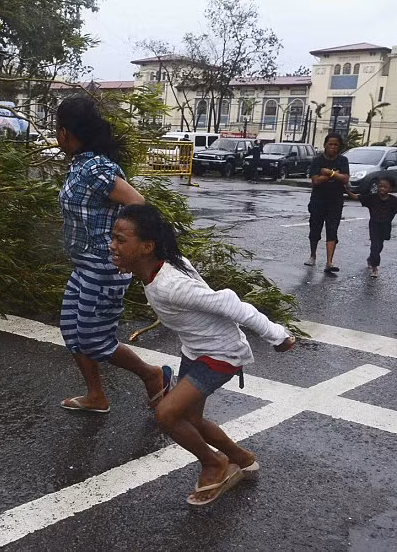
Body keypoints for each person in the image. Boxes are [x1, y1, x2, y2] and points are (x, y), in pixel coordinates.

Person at [109, 204, 296, 506]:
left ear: (146, 247)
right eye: (113, 238)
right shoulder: (161, 267)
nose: (112, 245)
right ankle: (241, 458)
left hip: (221, 354)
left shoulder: (171, 286)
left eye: (120, 240)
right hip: (196, 350)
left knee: (167, 414)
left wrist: (278, 335)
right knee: (190, 419)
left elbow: (231, 304)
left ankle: (214, 463)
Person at [55, 95, 173, 413]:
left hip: (104, 266)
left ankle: (153, 376)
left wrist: (123, 244)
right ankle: (96, 396)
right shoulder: (82, 163)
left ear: (65, 132)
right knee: (71, 329)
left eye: (57, 128)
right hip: (84, 265)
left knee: (95, 340)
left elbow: (138, 201)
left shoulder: (96, 168)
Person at [306, 133, 350, 274]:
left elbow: (345, 179)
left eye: (335, 145)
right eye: (330, 144)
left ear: (339, 147)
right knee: (315, 228)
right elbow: (316, 181)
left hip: (335, 201)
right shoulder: (317, 160)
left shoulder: (343, 160)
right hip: (318, 199)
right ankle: (313, 255)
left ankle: (329, 262)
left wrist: (329, 173)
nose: (332, 147)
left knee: (332, 229)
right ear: (325, 144)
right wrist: (335, 174)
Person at [354, 176, 397, 278]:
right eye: (380, 186)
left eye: (385, 187)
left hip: (386, 226)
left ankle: (371, 259)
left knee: (380, 245)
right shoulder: (372, 198)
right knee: (375, 245)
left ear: (390, 189)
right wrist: (346, 190)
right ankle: (375, 268)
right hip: (374, 225)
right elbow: (357, 197)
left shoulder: (393, 200)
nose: (382, 189)